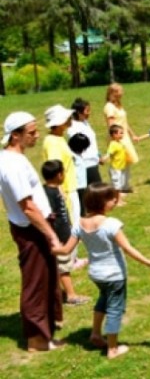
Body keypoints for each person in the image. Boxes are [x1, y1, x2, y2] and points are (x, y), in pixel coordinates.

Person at [53, 183, 150, 359]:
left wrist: (50, 249)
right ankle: (112, 348)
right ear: (100, 201)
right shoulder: (112, 224)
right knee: (115, 309)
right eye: (111, 199)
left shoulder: (80, 223)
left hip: (96, 274)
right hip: (114, 275)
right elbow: (128, 249)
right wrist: (149, 263)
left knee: (103, 300)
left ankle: (95, 333)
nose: (115, 201)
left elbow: (65, 250)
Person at [0, 112, 64, 352]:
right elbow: (27, 207)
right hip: (32, 230)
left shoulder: (11, 158)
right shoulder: (12, 164)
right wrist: (51, 234)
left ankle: (45, 332)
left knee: (46, 279)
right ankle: (36, 340)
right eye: (32, 132)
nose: (37, 135)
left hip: (35, 227)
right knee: (36, 283)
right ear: (15, 135)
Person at [42, 160, 90, 307]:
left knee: (60, 265)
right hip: (59, 236)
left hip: (64, 233)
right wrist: (57, 237)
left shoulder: (53, 189)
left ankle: (55, 291)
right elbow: (52, 217)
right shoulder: (49, 194)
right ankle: (71, 295)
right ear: (59, 175)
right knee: (63, 266)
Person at [43, 105, 80, 223]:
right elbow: (54, 167)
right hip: (65, 189)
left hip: (70, 186)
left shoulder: (59, 138)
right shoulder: (53, 142)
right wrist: (60, 190)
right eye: (67, 117)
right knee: (73, 225)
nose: (70, 119)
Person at [103, 83, 140, 185]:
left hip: (124, 137)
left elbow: (124, 122)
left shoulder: (119, 105)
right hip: (117, 138)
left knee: (126, 162)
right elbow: (111, 125)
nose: (122, 93)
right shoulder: (109, 107)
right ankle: (116, 188)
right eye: (120, 91)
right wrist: (115, 140)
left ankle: (124, 188)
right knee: (118, 163)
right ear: (113, 93)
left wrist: (133, 135)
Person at [68, 98, 103, 186]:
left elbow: (92, 142)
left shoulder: (85, 123)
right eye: (87, 110)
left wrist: (98, 155)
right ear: (79, 112)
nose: (89, 113)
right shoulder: (73, 128)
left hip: (93, 162)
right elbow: (77, 147)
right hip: (86, 164)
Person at [67, 133, 91, 215]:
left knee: (82, 206)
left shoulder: (77, 154)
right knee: (79, 209)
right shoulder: (71, 156)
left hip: (82, 185)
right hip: (77, 185)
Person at [105, 125, 131, 199]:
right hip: (115, 168)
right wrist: (104, 159)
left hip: (121, 166)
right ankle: (117, 196)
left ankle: (122, 191)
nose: (122, 134)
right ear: (114, 134)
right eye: (121, 133)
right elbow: (109, 154)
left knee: (122, 179)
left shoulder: (120, 142)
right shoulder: (113, 144)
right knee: (116, 181)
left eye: (122, 133)